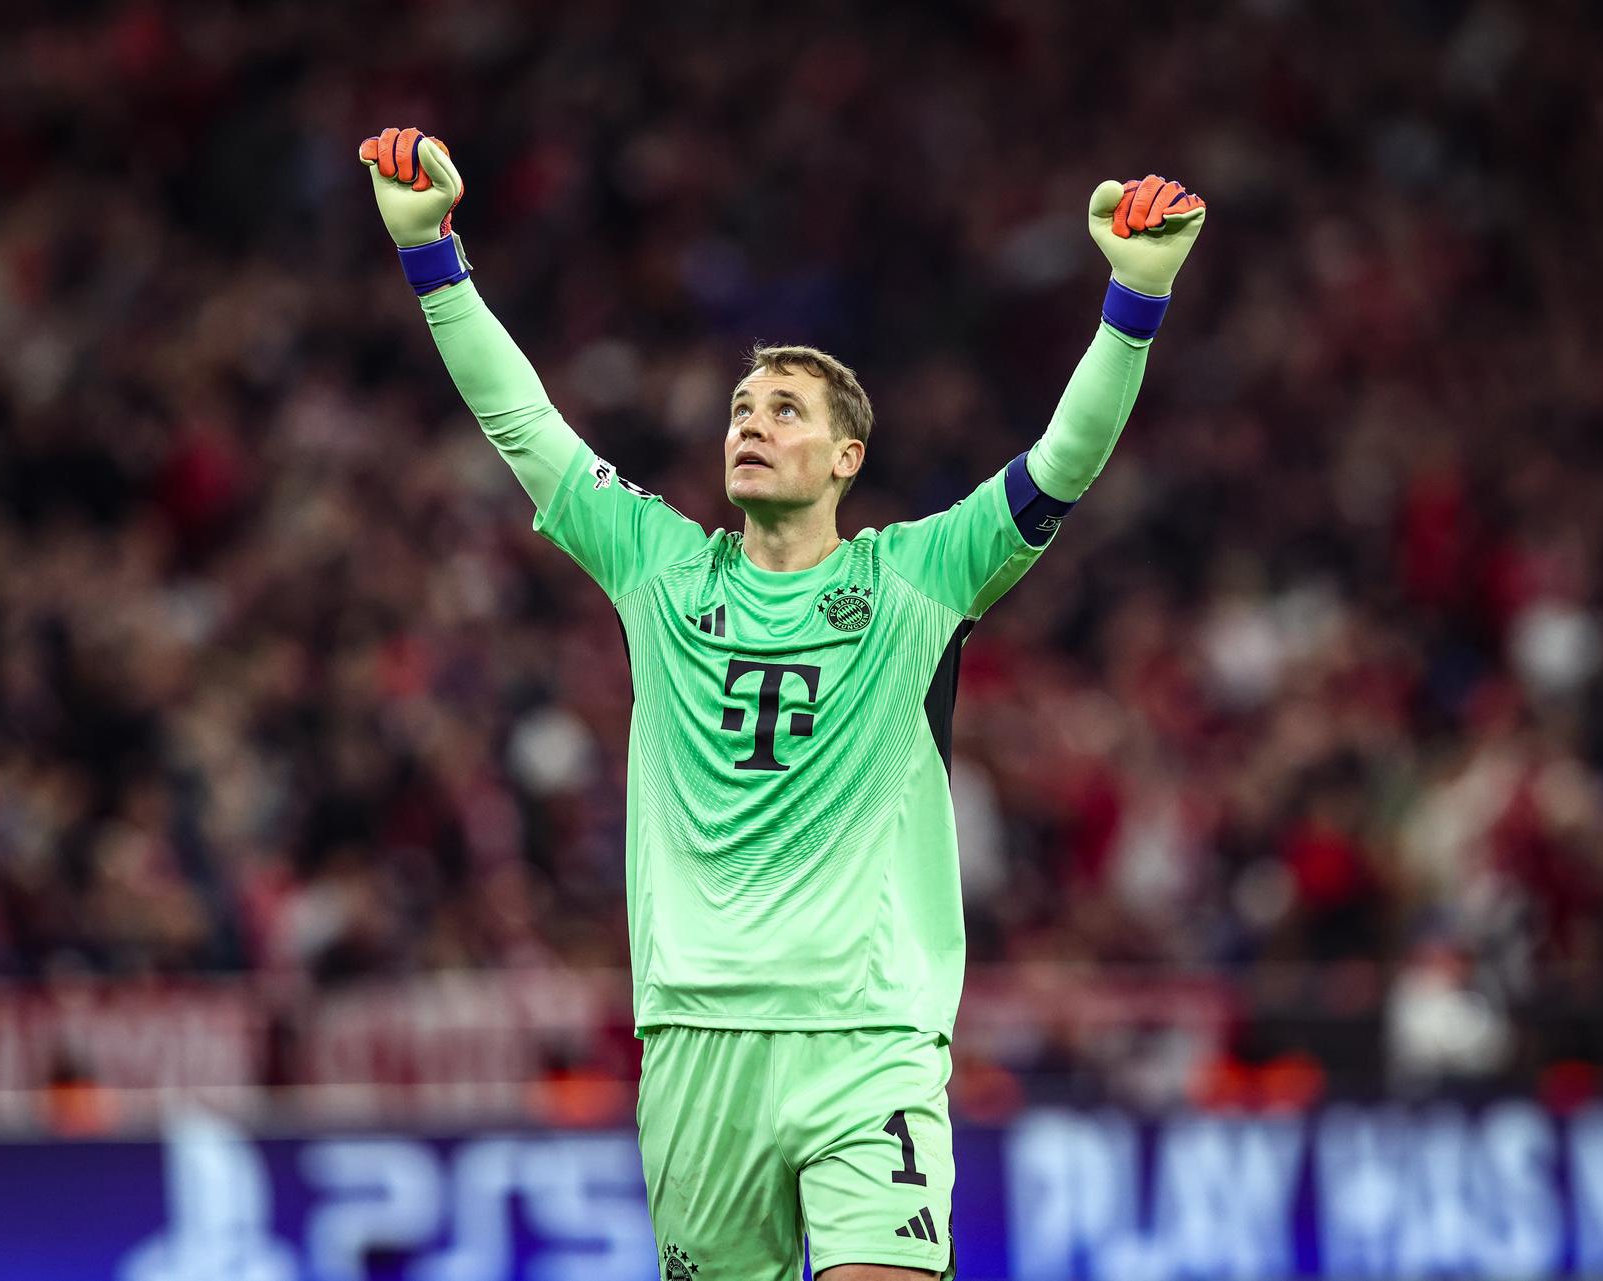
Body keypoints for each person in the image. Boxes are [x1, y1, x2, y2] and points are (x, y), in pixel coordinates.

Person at [358, 125, 1205, 1281]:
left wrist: (1134, 299)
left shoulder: (917, 577)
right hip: (700, 1044)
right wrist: (432, 259)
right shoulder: (659, 568)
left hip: (869, 1042)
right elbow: (527, 425)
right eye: (743, 407)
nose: (752, 422)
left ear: (849, 455)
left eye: (788, 409)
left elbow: (1065, 459)